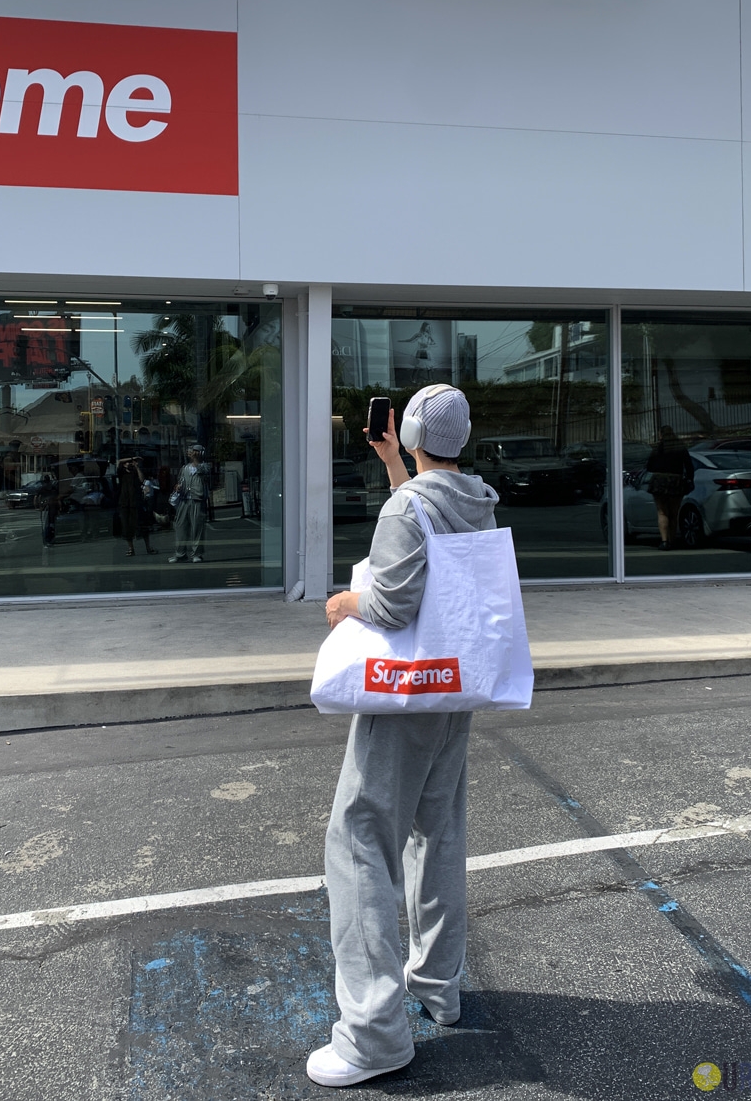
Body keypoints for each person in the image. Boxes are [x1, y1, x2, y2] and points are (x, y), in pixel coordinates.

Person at [306, 384, 498, 1090]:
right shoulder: (475, 499)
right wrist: (396, 466)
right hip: (451, 689)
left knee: (358, 840)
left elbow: (390, 603)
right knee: (436, 830)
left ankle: (373, 1034)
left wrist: (343, 603)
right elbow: (429, 532)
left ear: (411, 431)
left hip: (404, 697)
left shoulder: (405, 508)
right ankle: (438, 986)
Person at [644, 425, 695, 550]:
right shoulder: (680, 447)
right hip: (676, 481)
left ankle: (664, 541)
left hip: (659, 481)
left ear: (661, 434)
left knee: (662, 512)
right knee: (673, 513)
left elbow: (649, 466)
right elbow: (689, 466)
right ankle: (673, 540)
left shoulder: (658, 448)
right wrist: (689, 479)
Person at [169, 444, 211, 564]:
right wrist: (178, 486)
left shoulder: (205, 466)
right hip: (184, 499)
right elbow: (181, 480)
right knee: (180, 527)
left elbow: (203, 472)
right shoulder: (185, 468)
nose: (191, 453)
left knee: (197, 528)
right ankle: (180, 554)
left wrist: (196, 459)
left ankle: (197, 554)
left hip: (197, 499)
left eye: (194, 451)